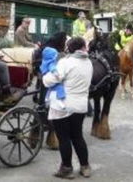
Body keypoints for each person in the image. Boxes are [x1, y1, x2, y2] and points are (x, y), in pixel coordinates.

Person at [43, 37, 93, 179]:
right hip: (80, 106)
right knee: (77, 136)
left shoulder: (65, 62)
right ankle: (85, 166)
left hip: (63, 106)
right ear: (82, 48)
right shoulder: (88, 62)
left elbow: (50, 80)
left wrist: (45, 75)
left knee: (64, 138)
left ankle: (66, 168)